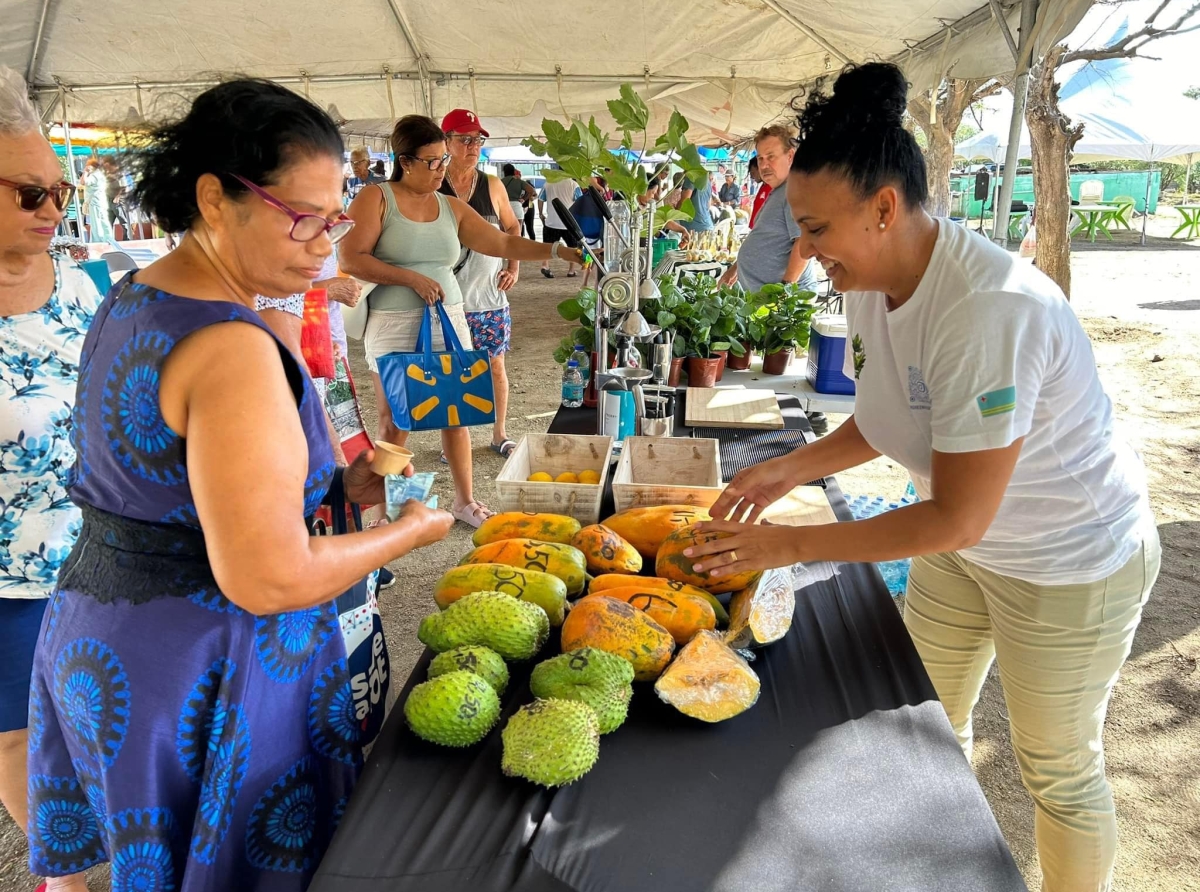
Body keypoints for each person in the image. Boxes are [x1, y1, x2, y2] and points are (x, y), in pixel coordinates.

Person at [686, 62, 1159, 892]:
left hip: (1066, 563)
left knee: (1055, 768)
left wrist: (786, 543)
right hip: (967, 553)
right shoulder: (871, 278)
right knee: (927, 727)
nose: (806, 250)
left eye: (817, 229)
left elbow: (955, 517)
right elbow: (893, 417)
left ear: (884, 207)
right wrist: (788, 468)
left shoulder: (987, 308)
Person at [27, 78, 455, 891]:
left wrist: (338, 491)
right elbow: (267, 576)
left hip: (108, 638)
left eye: (334, 219)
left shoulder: (134, 297)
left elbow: (168, 489)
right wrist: (409, 533)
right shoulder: (232, 347)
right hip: (205, 666)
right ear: (214, 198)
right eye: (302, 218)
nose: (325, 245)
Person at [338, 114, 584, 527]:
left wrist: (557, 252)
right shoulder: (376, 198)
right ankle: (383, 509)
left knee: (455, 411)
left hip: (449, 317)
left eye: (441, 161)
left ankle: (464, 501)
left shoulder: (450, 206)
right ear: (406, 161)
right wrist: (409, 278)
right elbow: (351, 258)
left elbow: (503, 240)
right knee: (394, 419)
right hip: (393, 321)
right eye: (432, 162)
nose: (441, 170)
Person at [0, 65, 100, 892]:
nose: (55, 210)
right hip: (4, 580)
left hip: (100, 556)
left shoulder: (82, 284)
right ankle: (63, 877)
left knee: (99, 722)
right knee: (16, 735)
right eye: (31, 194)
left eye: (60, 192)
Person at [439, 108, 522, 458]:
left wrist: (513, 267)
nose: (474, 146)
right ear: (447, 142)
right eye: (465, 139)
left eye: (478, 139)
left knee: (496, 366)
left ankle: (499, 433)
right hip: (445, 300)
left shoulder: (492, 184)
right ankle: (456, 442)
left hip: (488, 298)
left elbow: (512, 228)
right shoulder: (433, 184)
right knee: (451, 372)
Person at [719, 124, 818, 297]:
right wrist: (735, 269)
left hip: (783, 303)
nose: (764, 165)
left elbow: (804, 242)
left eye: (771, 157)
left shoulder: (795, 192)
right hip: (765, 300)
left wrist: (785, 291)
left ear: (790, 156)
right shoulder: (779, 191)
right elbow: (764, 236)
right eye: (760, 158)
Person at [538, 169, 582, 278]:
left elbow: (540, 199)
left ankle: (545, 265)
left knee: (547, 246)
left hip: (551, 222)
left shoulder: (548, 183)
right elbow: (580, 201)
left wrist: (540, 213)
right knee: (573, 247)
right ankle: (571, 271)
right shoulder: (573, 184)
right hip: (569, 222)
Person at [80, 158, 112, 242]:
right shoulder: (101, 174)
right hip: (101, 201)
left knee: (96, 224)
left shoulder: (94, 175)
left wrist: (85, 172)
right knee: (103, 221)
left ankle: (98, 241)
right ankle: (108, 239)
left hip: (94, 202)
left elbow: (83, 182)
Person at [500, 163, 535, 231]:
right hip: (517, 206)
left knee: (504, 233)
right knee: (518, 232)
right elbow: (532, 191)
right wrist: (524, 199)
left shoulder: (500, 181)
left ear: (504, 172)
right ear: (513, 171)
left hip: (504, 207)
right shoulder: (519, 181)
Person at [679, 170, 713, 234]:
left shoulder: (690, 177)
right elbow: (708, 205)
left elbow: (684, 201)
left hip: (694, 228)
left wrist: (675, 211)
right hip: (707, 224)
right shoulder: (707, 181)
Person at [748, 155, 770, 228]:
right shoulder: (763, 186)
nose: (751, 176)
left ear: (760, 169)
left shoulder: (772, 188)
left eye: (753, 172)